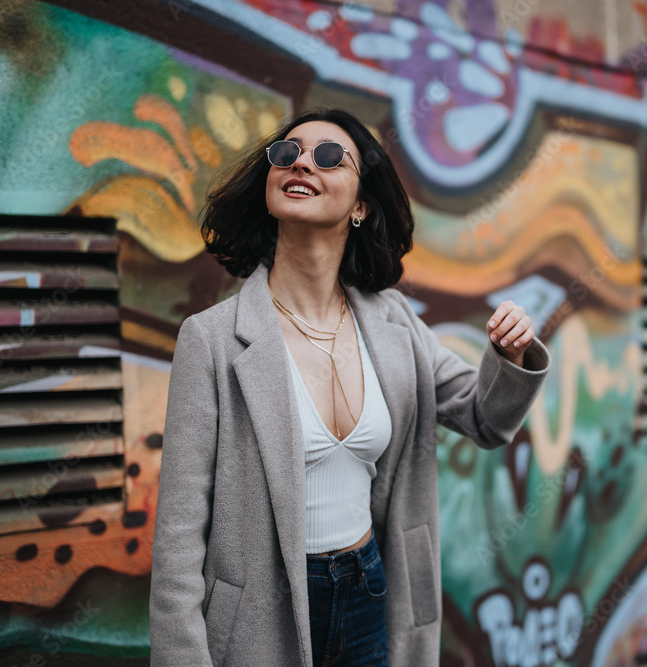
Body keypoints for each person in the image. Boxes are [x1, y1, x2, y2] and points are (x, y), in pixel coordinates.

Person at [148, 108, 550, 666]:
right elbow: (177, 542)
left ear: (361, 204)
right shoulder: (212, 340)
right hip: (262, 613)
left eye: (330, 156)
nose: (303, 162)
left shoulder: (394, 323)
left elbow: (484, 417)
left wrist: (511, 355)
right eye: (287, 153)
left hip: (369, 590)